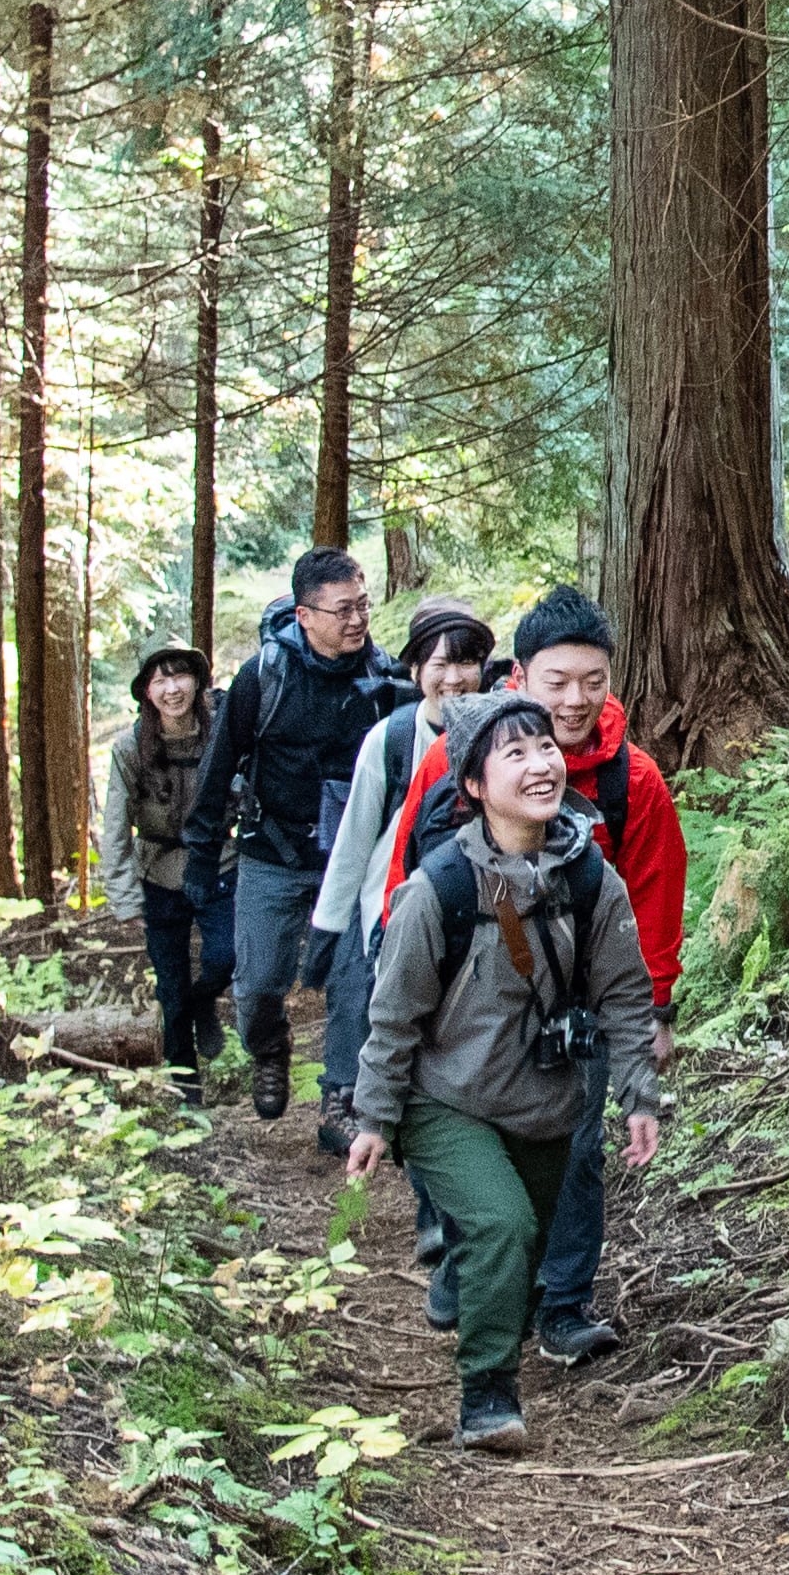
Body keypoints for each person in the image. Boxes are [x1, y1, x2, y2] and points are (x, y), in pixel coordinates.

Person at [345, 693, 666, 1454]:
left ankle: (475, 1289)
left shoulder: (589, 879)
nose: (540, 764)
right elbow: (393, 1017)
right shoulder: (440, 890)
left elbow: (625, 994)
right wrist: (374, 1118)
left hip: (546, 1100)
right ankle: (488, 1398)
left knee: (525, 1245)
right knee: (504, 1225)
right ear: (474, 785)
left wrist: (638, 1097)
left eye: (545, 747)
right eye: (514, 754)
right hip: (445, 1100)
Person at [184, 550, 412, 1121]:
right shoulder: (264, 676)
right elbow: (218, 767)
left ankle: (341, 1097)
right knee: (258, 984)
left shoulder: (384, 679)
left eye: (363, 606)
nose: (358, 620)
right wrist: (200, 856)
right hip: (272, 851)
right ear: (305, 616)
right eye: (343, 610)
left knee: (354, 979)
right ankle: (269, 1048)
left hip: (355, 859)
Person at [301, 604, 498, 1154]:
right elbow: (355, 840)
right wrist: (328, 925)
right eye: (439, 664)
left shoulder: (501, 734)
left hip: (472, 907)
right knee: (374, 998)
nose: (454, 678)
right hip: (388, 905)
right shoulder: (389, 740)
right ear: (415, 671)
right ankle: (351, 1102)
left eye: (466, 663)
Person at [91, 644, 226, 1085]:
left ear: (197, 681)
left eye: (180, 676)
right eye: (160, 680)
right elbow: (115, 827)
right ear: (147, 692)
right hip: (158, 874)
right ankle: (184, 1085)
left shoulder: (222, 732)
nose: (172, 689)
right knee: (171, 986)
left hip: (219, 864)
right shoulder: (130, 747)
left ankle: (205, 998)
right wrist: (125, 898)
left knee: (227, 955)